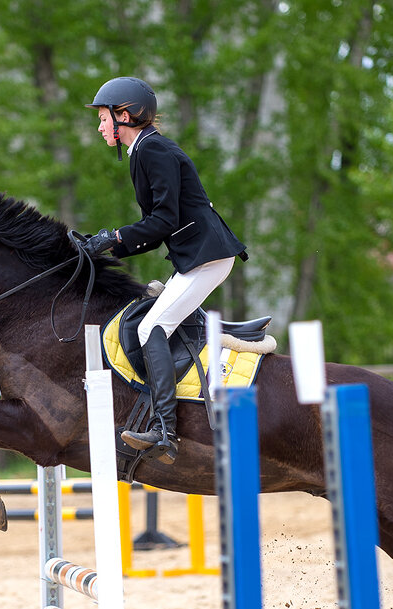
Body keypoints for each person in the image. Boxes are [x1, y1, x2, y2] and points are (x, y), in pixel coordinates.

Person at [81, 77, 247, 466]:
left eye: (104, 118)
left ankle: (165, 430)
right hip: (197, 255)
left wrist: (112, 237)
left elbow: (163, 221)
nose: (101, 126)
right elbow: (156, 231)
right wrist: (108, 244)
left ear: (125, 116)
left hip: (207, 255)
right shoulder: (144, 150)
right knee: (151, 324)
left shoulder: (152, 150)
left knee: (150, 328)